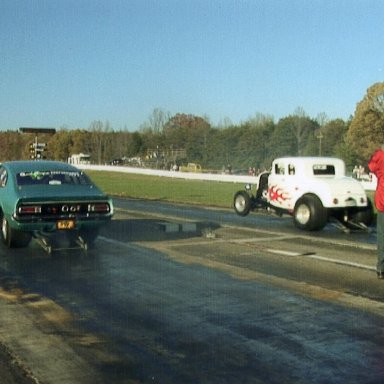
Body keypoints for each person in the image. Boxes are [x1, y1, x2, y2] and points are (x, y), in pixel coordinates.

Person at [368, 146, 384, 279]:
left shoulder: (380, 156)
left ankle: (381, 268)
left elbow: (371, 166)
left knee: (382, 235)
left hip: (382, 200)